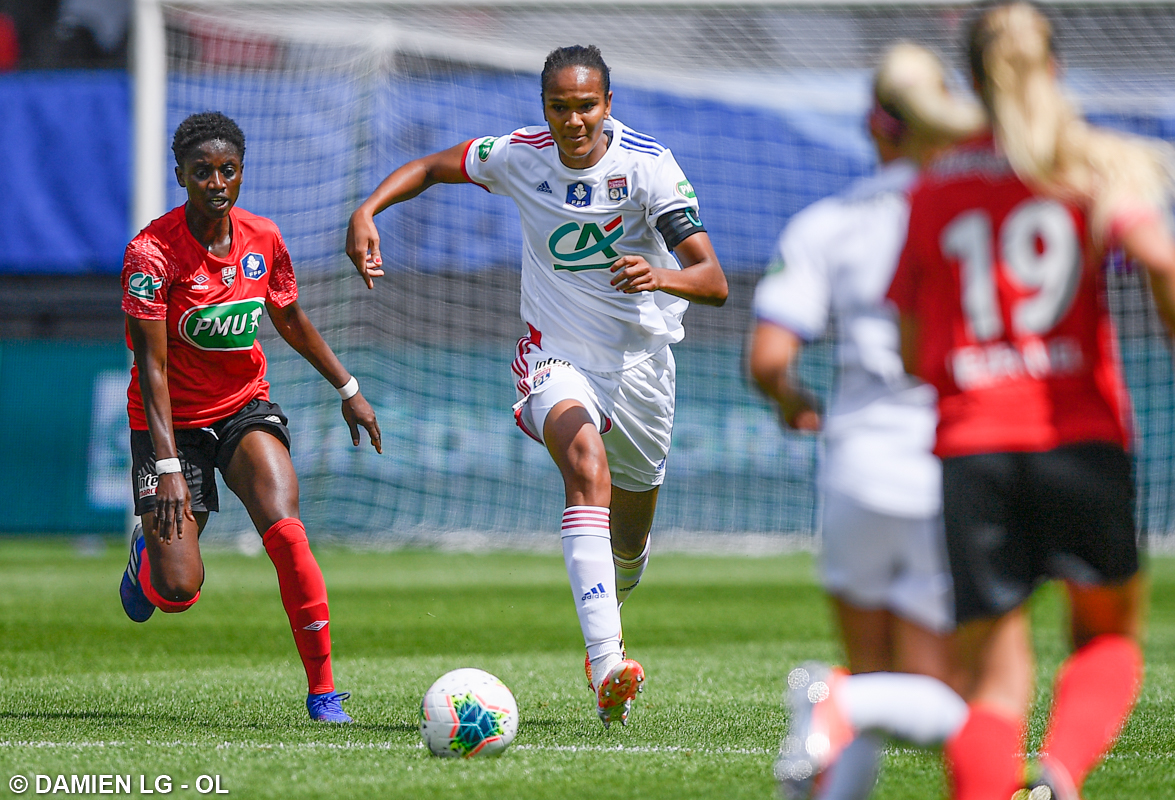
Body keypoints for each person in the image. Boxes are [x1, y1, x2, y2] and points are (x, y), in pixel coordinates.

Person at [345, 45, 727, 728]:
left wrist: (658, 273)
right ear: (543, 107)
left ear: (609, 104)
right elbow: (434, 166)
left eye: (586, 106)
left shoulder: (648, 168)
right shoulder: (519, 155)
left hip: (641, 366)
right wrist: (368, 209)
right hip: (554, 357)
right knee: (584, 464)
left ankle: (619, 586)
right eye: (560, 107)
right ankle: (607, 662)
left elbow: (713, 280)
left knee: (631, 542)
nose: (574, 120)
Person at [882, 5, 1175, 799]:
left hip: (973, 447)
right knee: (1107, 637)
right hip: (1080, 439)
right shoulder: (1085, 164)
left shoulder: (935, 185)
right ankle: (1057, 775)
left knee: (990, 684)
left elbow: (913, 348)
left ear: (972, 80)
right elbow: (1161, 256)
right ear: (1053, 68)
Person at [754, 44, 984, 800]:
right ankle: (839, 701)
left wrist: (797, 404)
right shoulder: (973, 215)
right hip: (948, 460)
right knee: (963, 700)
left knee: (881, 681)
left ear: (871, 124)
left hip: (856, 463)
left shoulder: (826, 224)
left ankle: (830, 745)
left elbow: (768, 359)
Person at [120, 111, 382, 724]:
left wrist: (348, 387)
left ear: (241, 173)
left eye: (228, 170)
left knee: (287, 531)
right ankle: (146, 561)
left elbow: (288, 317)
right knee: (179, 591)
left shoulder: (263, 238)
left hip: (243, 407)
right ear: (180, 175)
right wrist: (167, 468)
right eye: (203, 171)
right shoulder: (151, 254)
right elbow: (152, 371)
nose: (217, 182)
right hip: (170, 423)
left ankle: (323, 694)